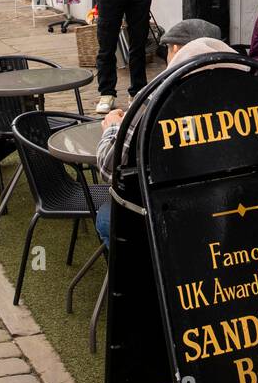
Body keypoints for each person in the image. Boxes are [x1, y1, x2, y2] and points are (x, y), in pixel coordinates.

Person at [94, 19, 226, 248]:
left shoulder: (152, 98)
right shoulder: (237, 90)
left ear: (175, 49)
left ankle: (143, 280)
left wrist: (113, 128)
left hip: (166, 217)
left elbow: (109, 168)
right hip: (226, 211)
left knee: (106, 218)